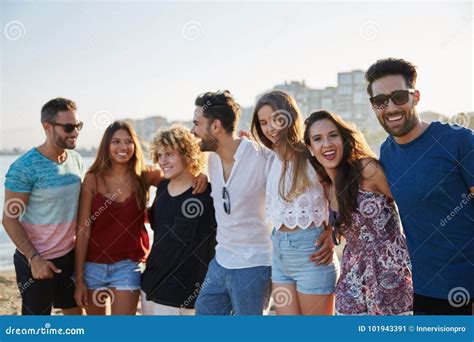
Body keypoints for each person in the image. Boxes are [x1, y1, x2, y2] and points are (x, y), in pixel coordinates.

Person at [365, 58, 474, 315]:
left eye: (399, 96)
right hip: (421, 293)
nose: (390, 107)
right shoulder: (386, 153)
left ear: (416, 97)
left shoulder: (459, 140)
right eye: (380, 101)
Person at [74, 121, 207, 315]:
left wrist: (200, 174)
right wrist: (79, 279)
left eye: (128, 141)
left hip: (127, 266)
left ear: (135, 145)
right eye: (116, 141)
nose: (123, 147)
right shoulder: (93, 179)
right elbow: (83, 230)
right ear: (106, 146)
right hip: (93, 266)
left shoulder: (143, 175)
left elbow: (179, 175)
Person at [304, 110, 413, 315]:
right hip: (352, 281)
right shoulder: (327, 188)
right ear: (310, 149)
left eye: (333, 135)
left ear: (343, 139)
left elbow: (411, 205)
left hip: (392, 276)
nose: (326, 144)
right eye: (317, 139)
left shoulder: (366, 169)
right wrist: (329, 233)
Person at [251, 90, 339, 315]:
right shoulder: (272, 158)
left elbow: (342, 189)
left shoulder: (310, 153)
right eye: (263, 123)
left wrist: (335, 231)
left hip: (311, 253)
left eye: (276, 120)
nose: (270, 128)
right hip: (279, 251)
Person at [190, 90, 274, 315]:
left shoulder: (263, 157)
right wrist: (200, 174)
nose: (192, 130)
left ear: (216, 126)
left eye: (197, 124)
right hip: (221, 261)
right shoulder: (211, 159)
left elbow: (298, 188)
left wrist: (326, 229)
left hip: (254, 265)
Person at [2, 98, 83, 315]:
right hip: (36, 261)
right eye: (68, 127)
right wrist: (34, 258)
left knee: (77, 318)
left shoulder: (76, 159)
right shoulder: (23, 167)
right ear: (47, 127)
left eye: (78, 126)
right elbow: (9, 219)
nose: (75, 132)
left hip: (69, 257)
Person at [140, 125, 216, 315]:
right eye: (159, 155)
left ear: (187, 155)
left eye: (169, 154)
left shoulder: (208, 194)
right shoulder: (163, 187)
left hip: (185, 293)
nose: (162, 161)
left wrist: (205, 174)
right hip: (150, 285)